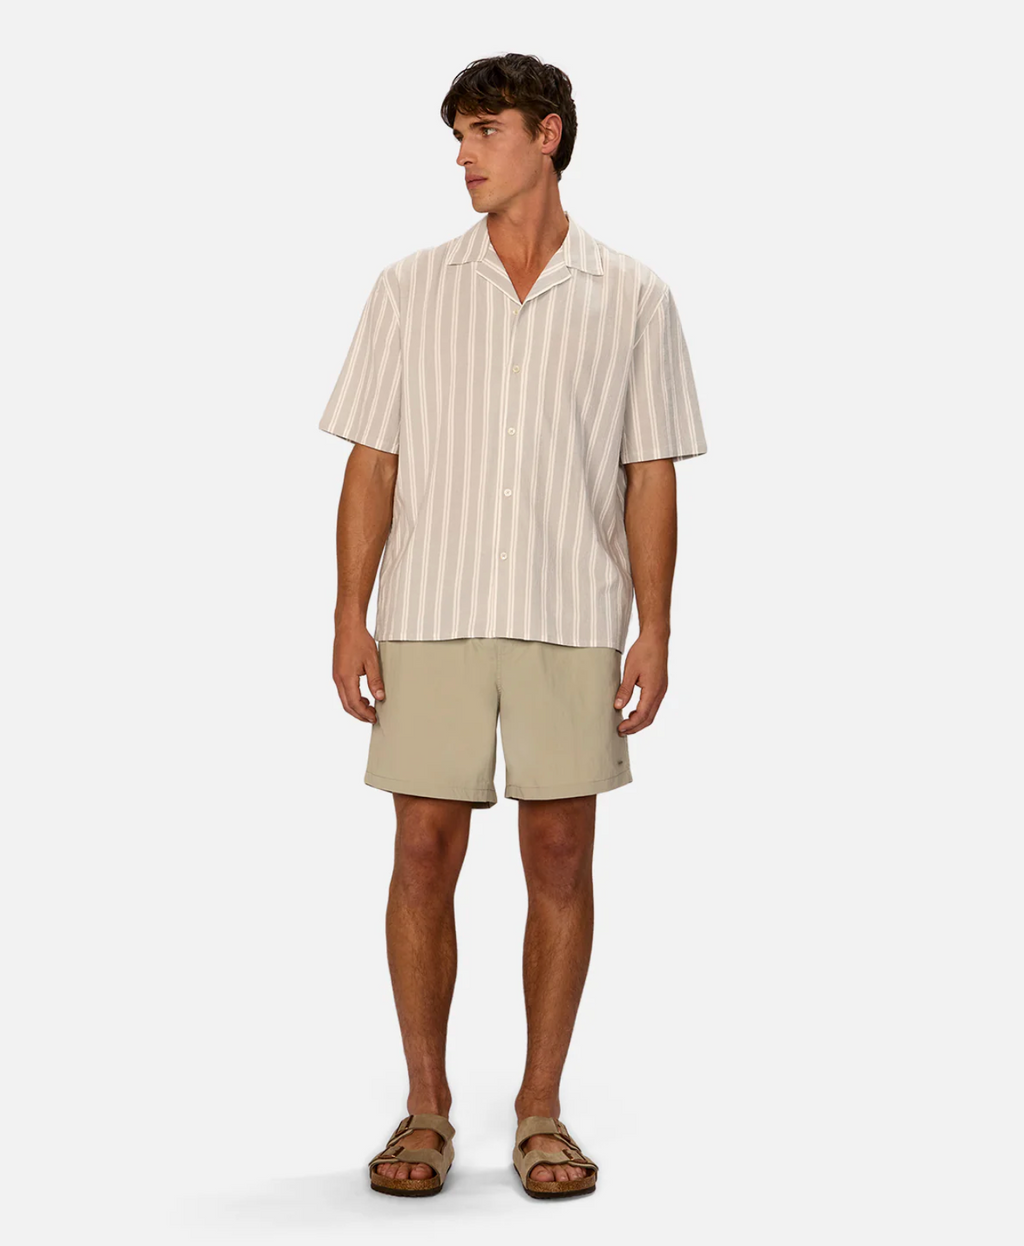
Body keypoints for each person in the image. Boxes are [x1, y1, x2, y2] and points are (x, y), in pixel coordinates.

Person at [318, 53, 707, 1200]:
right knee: (422, 847)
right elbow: (372, 463)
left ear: (548, 136)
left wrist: (655, 628)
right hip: (431, 608)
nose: (463, 154)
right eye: (457, 134)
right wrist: (348, 614)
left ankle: (541, 1106)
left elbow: (649, 471)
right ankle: (425, 1104)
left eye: (483, 129)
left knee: (562, 853)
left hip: (568, 607)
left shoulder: (633, 294)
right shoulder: (408, 287)